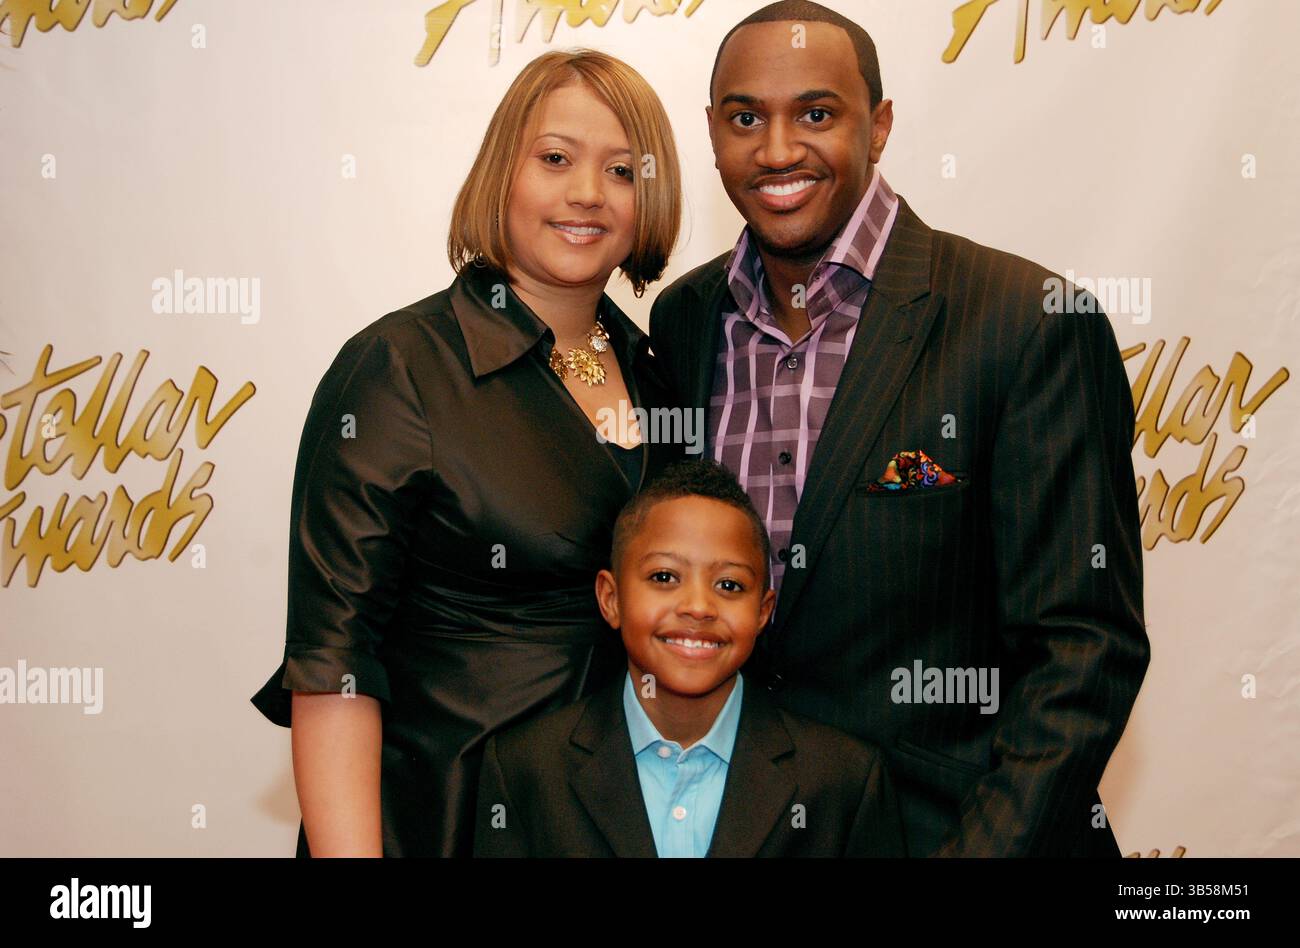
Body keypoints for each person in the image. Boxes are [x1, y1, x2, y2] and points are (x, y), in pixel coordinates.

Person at [648, 1, 1149, 856]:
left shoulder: (1026, 323)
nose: (776, 150)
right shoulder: (687, 321)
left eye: (816, 113)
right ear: (711, 132)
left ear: (878, 126)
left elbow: (1082, 651)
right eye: (744, 119)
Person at [249, 49, 684, 857]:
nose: (588, 193)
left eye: (623, 170)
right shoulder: (398, 370)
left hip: (617, 826)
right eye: (555, 159)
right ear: (501, 174)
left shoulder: (661, 374)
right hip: (439, 821)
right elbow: (334, 665)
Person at [473, 460, 906, 857]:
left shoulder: (843, 782)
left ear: (762, 612)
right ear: (611, 598)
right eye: (664, 577)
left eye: (730, 585)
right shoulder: (524, 770)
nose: (698, 606)